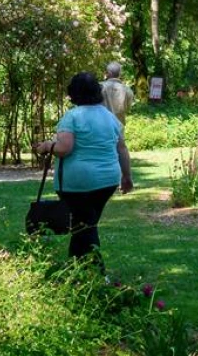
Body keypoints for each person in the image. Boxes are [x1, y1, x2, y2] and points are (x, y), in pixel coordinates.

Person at [33, 71, 134, 271]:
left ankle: (98, 273)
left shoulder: (72, 117)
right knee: (83, 225)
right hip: (107, 181)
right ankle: (76, 271)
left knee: (85, 227)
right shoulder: (110, 118)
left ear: (74, 94)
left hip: (78, 183)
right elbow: (121, 148)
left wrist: (45, 146)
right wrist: (127, 177)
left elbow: (64, 149)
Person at [101, 61, 135, 127]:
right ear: (120, 74)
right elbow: (128, 108)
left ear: (108, 73)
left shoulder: (99, 87)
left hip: (101, 127)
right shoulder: (128, 90)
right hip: (119, 127)